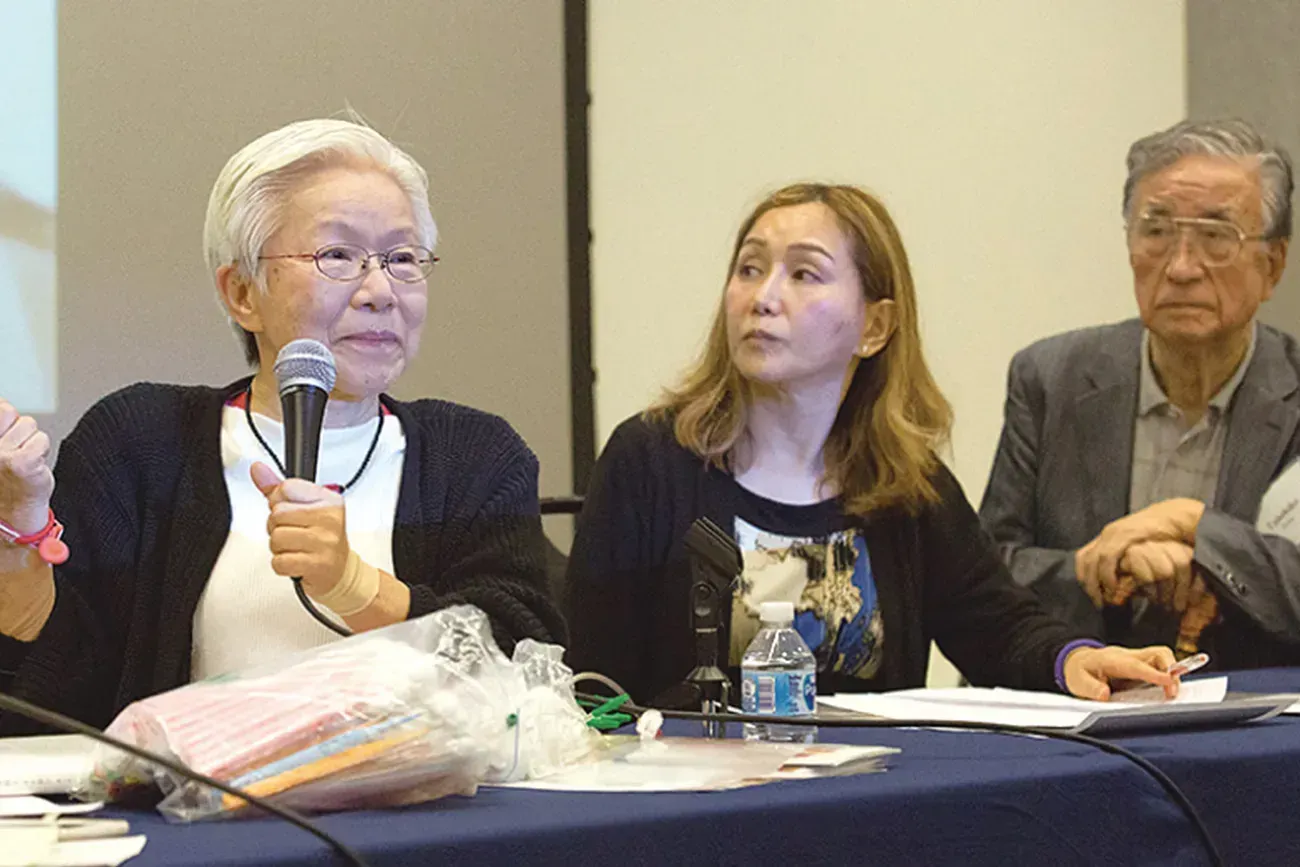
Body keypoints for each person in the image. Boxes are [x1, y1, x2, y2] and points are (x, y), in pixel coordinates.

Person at [0, 118, 564, 734]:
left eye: (402, 258)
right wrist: (17, 536)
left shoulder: (475, 456)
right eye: (337, 256)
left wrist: (352, 585)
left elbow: (527, 665)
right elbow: (58, 692)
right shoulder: (141, 442)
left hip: (421, 793)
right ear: (243, 293)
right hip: (194, 793)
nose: (380, 291)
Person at [564, 182, 1179, 705]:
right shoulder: (649, 462)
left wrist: (1073, 660)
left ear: (875, 326)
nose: (763, 298)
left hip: (870, 793)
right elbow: (593, 685)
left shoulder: (905, 486)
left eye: (803, 274)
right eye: (749, 269)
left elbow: (997, 626)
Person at [980, 118, 1300, 667]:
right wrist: (1108, 568)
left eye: (1216, 236)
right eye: (1156, 232)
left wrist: (1198, 530)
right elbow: (984, 576)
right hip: (1078, 700)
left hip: (1256, 709)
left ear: (1272, 265)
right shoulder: (1051, 378)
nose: (1181, 267)